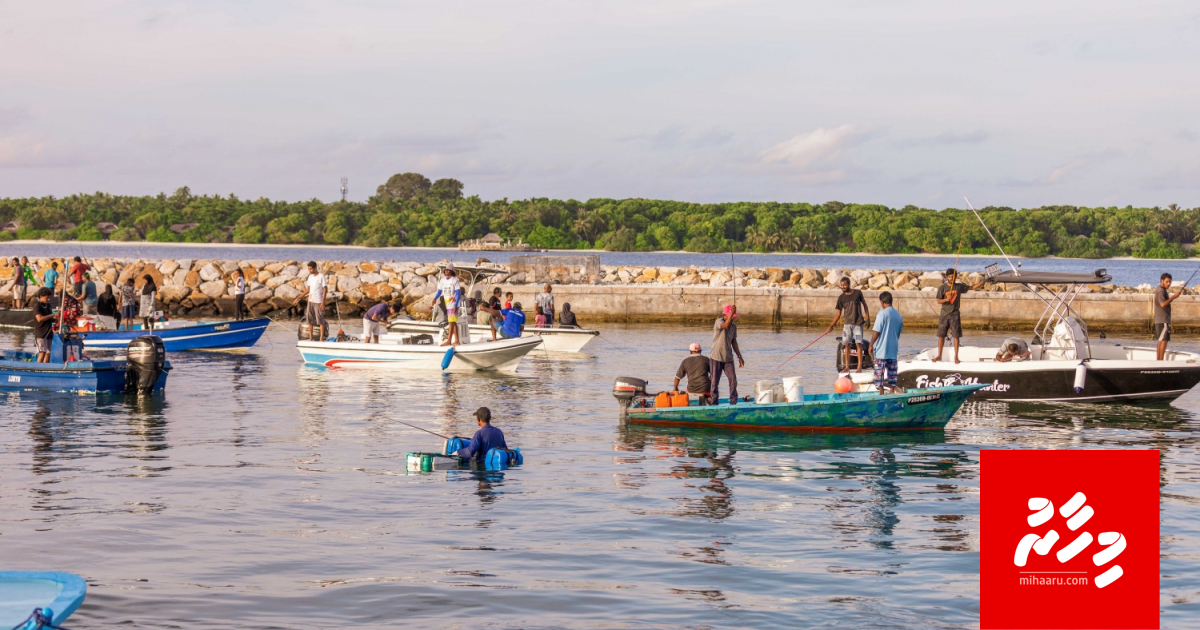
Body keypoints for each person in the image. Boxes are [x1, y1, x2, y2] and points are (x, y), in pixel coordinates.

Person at [933, 268, 986, 364]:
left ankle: (956, 357)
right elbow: (938, 301)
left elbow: (972, 287)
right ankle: (939, 356)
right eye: (949, 277)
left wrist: (983, 281)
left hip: (955, 314)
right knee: (941, 336)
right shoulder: (942, 288)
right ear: (946, 277)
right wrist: (946, 299)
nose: (951, 278)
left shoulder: (959, 287)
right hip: (944, 314)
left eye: (953, 277)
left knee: (956, 336)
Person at [825, 276, 870, 373]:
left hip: (858, 323)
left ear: (849, 284)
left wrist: (868, 318)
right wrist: (831, 326)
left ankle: (859, 367)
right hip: (847, 325)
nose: (843, 287)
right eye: (841, 285)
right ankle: (846, 367)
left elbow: (865, 305)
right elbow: (838, 314)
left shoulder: (858, 293)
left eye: (844, 285)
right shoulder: (841, 298)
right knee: (847, 345)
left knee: (859, 344)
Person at [869, 291, 904, 394]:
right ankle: (892, 391)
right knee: (892, 372)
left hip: (881, 349)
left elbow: (876, 331)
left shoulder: (882, 314)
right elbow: (898, 334)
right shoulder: (898, 315)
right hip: (893, 349)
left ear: (882, 302)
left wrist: (871, 344)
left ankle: (881, 392)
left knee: (879, 372)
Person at [710, 304, 745, 404]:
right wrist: (731, 313)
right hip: (716, 356)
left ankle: (733, 402)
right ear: (726, 314)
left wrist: (739, 356)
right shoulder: (718, 322)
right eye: (732, 316)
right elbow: (725, 325)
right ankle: (714, 401)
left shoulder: (734, 326)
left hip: (728, 357)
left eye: (734, 317)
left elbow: (734, 342)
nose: (733, 319)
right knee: (714, 382)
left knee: (733, 380)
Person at [292, 261, 328, 341]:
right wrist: (298, 298)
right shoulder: (310, 277)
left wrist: (323, 302)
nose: (310, 271)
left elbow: (325, 289)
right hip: (310, 301)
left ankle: (321, 338)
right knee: (310, 320)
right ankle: (310, 338)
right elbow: (307, 290)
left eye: (311, 269)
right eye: (309, 269)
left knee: (320, 320)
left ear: (315, 268)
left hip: (318, 301)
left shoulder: (321, 276)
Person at [431, 265, 462, 346]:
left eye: (448, 270)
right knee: (453, 322)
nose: (447, 272)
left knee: (451, 322)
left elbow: (458, 293)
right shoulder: (442, 280)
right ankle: (457, 341)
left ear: (452, 271)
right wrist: (435, 299)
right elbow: (439, 291)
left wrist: (455, 305)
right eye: (446, 270)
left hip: (453, 304)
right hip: (448, 304)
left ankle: (449, 341)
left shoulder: (455, 280)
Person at [1154, 272, 1182, 360]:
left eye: (1170, 282)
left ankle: (1159, 361)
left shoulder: (1160, 289)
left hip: (1159, 320)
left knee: (1160, 341)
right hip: (1163, 320)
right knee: (1163, 341)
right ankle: (1160, 361)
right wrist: (1173, 297)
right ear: (1161, 281)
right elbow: (1162, 304)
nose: (1168, 283)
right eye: (1167, 282)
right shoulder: (1161, 290)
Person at [32, 288, 55, 363]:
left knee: (48, 353)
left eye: (49, 297)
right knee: (42, 352)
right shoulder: (37, 306)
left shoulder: (48, 306)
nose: (48, 299)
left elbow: (50, 319)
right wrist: (52, 315)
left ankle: (45, 368)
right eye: (46, 298)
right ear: (41, 297)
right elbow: (39, 318)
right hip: (41, 334)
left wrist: (58, 318)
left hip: (49, 333)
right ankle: (37, 369)